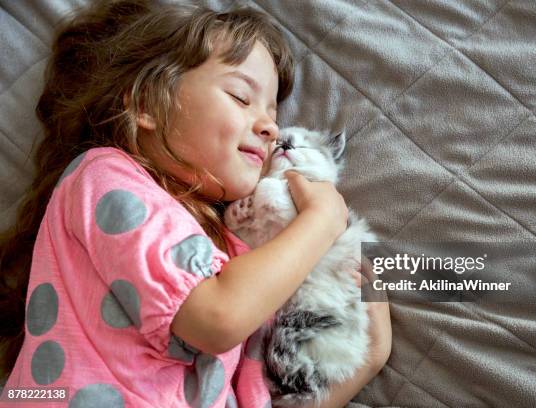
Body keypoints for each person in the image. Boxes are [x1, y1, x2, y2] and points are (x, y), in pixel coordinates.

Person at [0, 1, 391, 407]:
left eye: (273, 112)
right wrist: (323, 218)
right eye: (241, 97)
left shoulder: (229, 247)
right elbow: (218, 318)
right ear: (147, 104)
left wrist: (366, 362)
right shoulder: (105, 178)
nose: (271, 126)